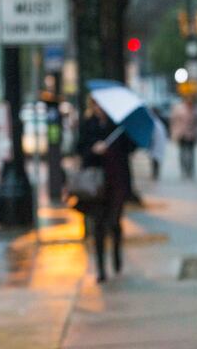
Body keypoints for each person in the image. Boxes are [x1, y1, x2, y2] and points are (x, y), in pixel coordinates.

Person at [75, 97, 132, 283]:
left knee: (114, 221)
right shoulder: (88, 125)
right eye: (96, 105)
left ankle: (116, 252)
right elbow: (79, 149)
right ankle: (101, 268)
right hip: (96, 184)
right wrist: (93, 149)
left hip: (116, 181)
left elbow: (129, 149)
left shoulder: (118, 126)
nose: (99, 108)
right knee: (98, 224)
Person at [170, 96, 197, 179]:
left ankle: (190, 170)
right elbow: (174, 122)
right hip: (181, 134)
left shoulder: (195, 109)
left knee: (191, 153)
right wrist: (174, 133)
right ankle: (184, 169)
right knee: (183, 152)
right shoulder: (179, 109)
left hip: (192, 135)